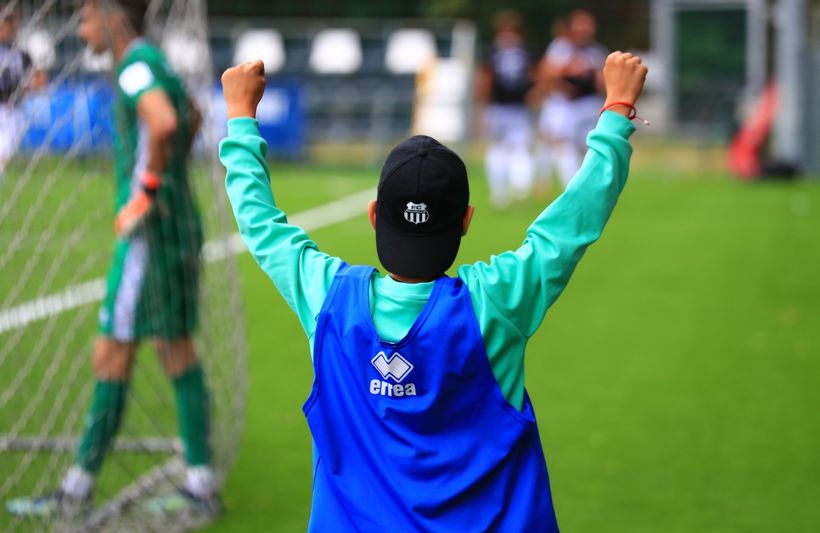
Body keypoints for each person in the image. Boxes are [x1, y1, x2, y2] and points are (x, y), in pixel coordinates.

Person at [220, 49, 648, 531]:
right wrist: (616, 111)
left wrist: (240, 117)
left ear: (374, 216)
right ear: (466, 221)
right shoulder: (495, 301)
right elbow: (568, 227)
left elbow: (261, 225)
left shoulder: (327, 300)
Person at [6, 0, 216, 519]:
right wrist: (165, 179)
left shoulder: (135, 67)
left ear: (109, 16)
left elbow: (166, 121)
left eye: (84, 16)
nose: (79, 29)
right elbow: (192, 113)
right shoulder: (156, 59)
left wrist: (145, 189)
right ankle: (200, 482)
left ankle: (76, 491)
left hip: (149, 237)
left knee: (111, 354)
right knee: (176, 350)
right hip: (178, 224)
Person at [536, 9, 608, 188]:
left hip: (589, 106)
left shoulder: (596, 51)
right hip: (565, 106)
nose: (587, 28)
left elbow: (604, 80)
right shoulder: (560, 48)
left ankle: (588, 186)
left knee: (588, 150)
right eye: (582, 24)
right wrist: (567, 70)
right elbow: (546, 74)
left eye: (589, 24)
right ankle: (572, 187)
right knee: (563, 146)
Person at [475, 10, 535, 208]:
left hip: (516, 108)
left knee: (515, 148)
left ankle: (516, 188)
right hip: (500, 107)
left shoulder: (518, 51)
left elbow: (533, 77)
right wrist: (483, 106)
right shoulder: (496, 51)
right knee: (500, 149)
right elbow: (486, 79)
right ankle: (503, 190)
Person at [0, 3, 45, 178]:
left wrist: (29, 87)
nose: (8, 28)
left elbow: (39, 76)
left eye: (11, 23)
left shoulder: (20, 53)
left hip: (13, 108)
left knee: (7, 144)